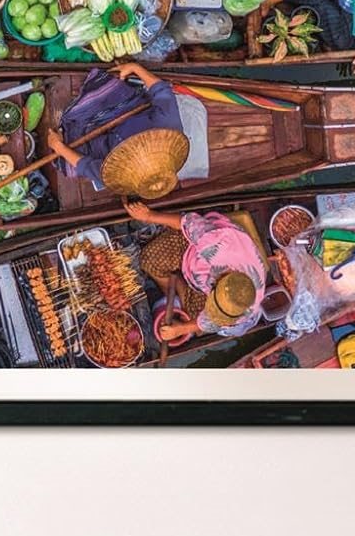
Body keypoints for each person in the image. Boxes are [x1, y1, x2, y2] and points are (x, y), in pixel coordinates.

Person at [47, 63, 206, 200]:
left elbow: (85, 166)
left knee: (68, 161)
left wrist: (59, 147)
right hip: (127, 110)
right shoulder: (168, 128)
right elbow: (161, 90)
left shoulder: (118, 174)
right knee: (102, 93)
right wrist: (134, 67)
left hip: (105, 145)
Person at [124, 201, 266, 345]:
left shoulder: (244, 304)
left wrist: (181, 329)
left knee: (196, 324)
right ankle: (175, 288)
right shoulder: (216, 248)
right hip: (193, 247)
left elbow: (213, 323)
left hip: (200, 281)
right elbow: (185, 222)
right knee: (150, 260)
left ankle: (177, 289)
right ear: (216, 283)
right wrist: (148, 216)